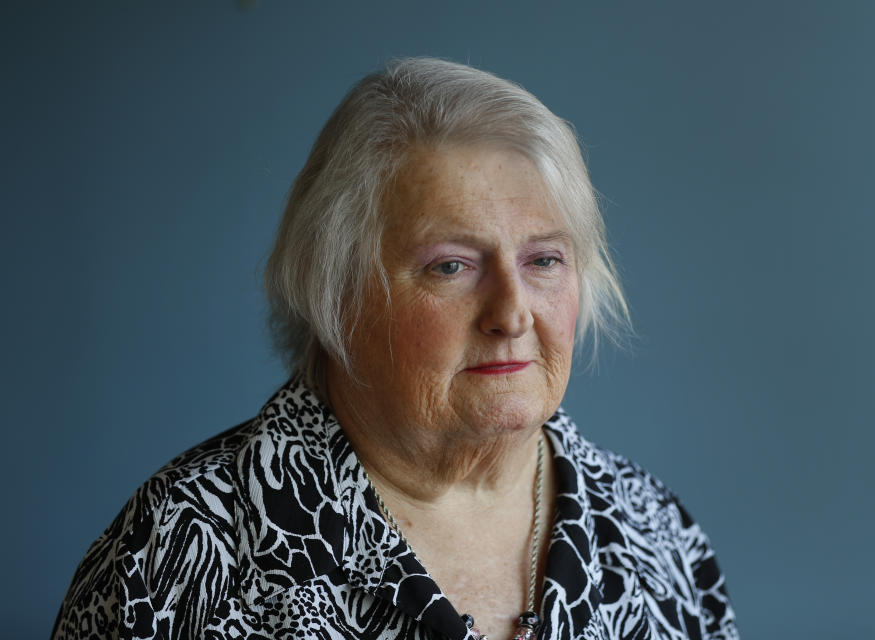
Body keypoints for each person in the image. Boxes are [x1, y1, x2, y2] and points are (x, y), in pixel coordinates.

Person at [52, 58, 738, 640]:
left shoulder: (655, 534)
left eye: (545, 261)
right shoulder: (174, 552)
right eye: (451, 266)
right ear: (336, 292)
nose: (511, 312)